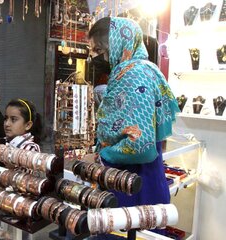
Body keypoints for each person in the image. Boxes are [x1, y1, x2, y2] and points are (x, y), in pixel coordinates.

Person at [88, 17, 180, 211]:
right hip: (140, 180)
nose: (93, 57)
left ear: (118, 45)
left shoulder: (132, 74)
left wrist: (100, 156)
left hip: (131, 188)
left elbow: (140, 144)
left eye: (98, 50)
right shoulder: (144, 69)